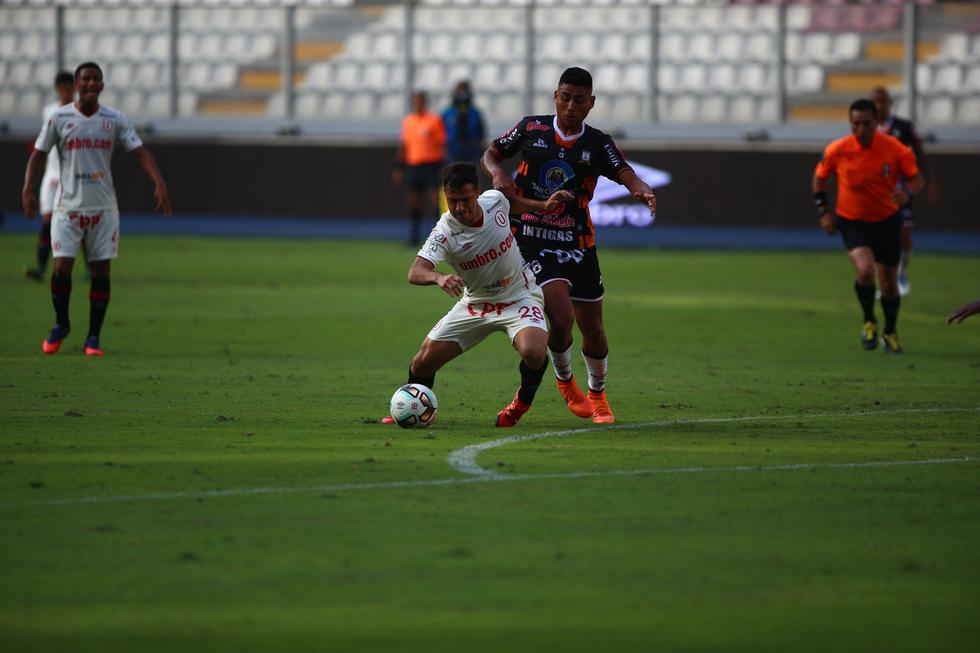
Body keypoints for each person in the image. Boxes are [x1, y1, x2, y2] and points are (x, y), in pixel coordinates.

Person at [481, 67, 657, 424]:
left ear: (591, 103)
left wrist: (638, 187)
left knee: (594, 330)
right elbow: (493, 153)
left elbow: (623, 170)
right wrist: (497, 172)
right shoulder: (532, 128)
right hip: (531, 240)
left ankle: (598, 394)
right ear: (555, 97)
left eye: (579, 99)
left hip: (579, 244)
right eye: (565, 97)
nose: (570, 105)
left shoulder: (597, 143)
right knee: (560, 318)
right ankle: (565, 383)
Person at [383, 162, 572, 427]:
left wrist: (542, 207)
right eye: (452, 201)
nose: (459, 208)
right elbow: (415, 271)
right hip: (477, 303)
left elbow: (512, 204)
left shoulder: (494, 201)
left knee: (533, 352)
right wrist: (438, 277)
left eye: (465, 200)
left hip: (520, 296)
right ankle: (408, 407)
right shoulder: (445, 231)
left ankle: (521, 402)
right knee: (422, 363)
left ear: (478, 193)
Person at [21, 62, 171, 356]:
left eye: (96, 79)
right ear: (77, 84)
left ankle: (93, 338)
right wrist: (28, 188)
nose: (90, 84)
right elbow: (39, 154)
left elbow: (140, 153)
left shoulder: (113, 119)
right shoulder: (59, 118)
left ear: (102, 85)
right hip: (67, 208)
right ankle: (61, 323)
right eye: (85, 79)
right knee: (62, 268)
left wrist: (159, 182)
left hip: (103, 208)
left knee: (101, 271)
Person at [813, 98, 924, 353]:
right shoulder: (838, 149)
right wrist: (824, 212)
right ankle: (869, 320)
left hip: (886, 221)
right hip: (852, 221)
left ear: (877, 123)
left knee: (889, 285)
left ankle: (890, 331)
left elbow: (916, 180)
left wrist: (907, 193)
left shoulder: (895, 149)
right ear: (850, 123)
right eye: (855, 124)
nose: (861, 129)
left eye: (866, 123)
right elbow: (819, 179)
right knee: (865, 271)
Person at [870, 86, 939, 297]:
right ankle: (883, 280)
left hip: (900, 191)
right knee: (876, 238)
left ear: (890, 103)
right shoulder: (866, 128)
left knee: (904, 236)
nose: (879, 105)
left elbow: (920, 154)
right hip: (875, 193)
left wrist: (932, 182)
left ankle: (901, 272)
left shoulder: (903, 127)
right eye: (875, 101)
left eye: (883, 101)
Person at [24, 70, 75, 282]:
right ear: (57, 89)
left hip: (71, 175)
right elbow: (44, 142)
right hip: (51, 173)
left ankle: (92, 267)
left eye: (68, 86)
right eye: (61, 87)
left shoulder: (79, 110)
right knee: (47, 220)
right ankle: (42, 267)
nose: (64, 91)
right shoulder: (50, 111)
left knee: (77, 223)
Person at [392, 91, 446, 247]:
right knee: (413, 202)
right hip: (413, 165)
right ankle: (413, 237)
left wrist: (443, 166)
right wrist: (399, 167)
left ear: (425, 102)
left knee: (434, 201)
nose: (417, 104)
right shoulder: (408, 121)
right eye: (414, 102)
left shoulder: (434, 120)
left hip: (431, 164)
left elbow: (442, 144)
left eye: (419, 101)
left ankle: (440, 236)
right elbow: (404, 145)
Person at [441, 80, 486, 166]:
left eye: (464, 90)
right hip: (452, 152)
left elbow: (481, 132)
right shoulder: (448, 113)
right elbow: (441, 133)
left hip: (471, 152)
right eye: (460, 91)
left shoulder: (475, 113)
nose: (462, 94)